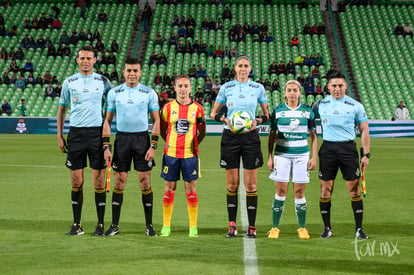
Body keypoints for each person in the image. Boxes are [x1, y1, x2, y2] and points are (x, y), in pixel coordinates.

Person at [210, 55, 270, 238]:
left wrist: (257, 120)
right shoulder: (226, 87)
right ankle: (232, 225)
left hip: (250, 137)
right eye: (240, 66)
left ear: (250, 68)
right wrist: (224, 119)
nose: (243, 69)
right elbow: (213, 113)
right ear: (235, 68)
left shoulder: (258, 88)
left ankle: (252, 226)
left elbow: (267, 115)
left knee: (251, 184)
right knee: (232, 184)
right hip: (231, 137)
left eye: (246, 66)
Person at [57, 46, 112, 236]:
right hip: (76, 134)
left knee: (98, 181)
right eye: (82, 58)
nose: (85, 61)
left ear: (95, 60)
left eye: (89, 58)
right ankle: (77, 224)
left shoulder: (103, 82)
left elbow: (111, 110)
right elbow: (62, 109)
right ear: (77, 60)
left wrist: (107, 138)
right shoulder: (69, 82)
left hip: (97, 134)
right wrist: (59, 135)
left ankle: (100, 225)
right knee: (76, 179)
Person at [102, 58, 160, 237]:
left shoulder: (148, 92)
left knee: (145, 182)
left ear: (140, 72)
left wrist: (153, 146)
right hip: (122, 140)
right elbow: (107, 120)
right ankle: (114, 225)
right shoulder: (114, 93)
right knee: (119, 182)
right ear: (124, 72)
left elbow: (157, 120)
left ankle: (149, 226)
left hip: (142, 140)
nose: (132, 74)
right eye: (129, 71)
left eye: (135, 71)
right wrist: (106, 146)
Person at [312, 70, 370, 239]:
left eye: (340, 85)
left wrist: (366, 154)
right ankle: (327, 228)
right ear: (328, 87)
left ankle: (359, 229)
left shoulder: (356, 106)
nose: (337, 88)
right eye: (334, 85)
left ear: (346, 86)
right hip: (328, 149)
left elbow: (364, 130)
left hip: (348, 150)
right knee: (325, 190)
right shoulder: (319, 105)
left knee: (354, 190)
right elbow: (307, 122)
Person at [266, 80, 318, 239]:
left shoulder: (308, 112)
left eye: (295, 90)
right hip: (281, 155)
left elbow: (314, 136)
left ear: (300, 93)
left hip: (302, 155)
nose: (292, 93)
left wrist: (314, 157)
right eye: (289, 90)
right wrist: (269, 157)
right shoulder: (278, 111)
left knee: (299, 192)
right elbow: (272, 135)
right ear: (285, 93)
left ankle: (302, 228)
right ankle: (275, 228)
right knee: (280, 191)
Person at [159, 75, 206, 237]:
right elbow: (163, 129)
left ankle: (193, 227)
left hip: (190, 155)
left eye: (186, 86)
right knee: (169, 189)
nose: (183, 89)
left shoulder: (198, 108)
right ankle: (166, 226)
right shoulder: (167, 108)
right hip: (171, 154)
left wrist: (194, 144)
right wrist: (170, 143)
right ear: (175, 88)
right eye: (180, 86)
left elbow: (202, 130)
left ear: (191, 88)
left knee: (191, 190)